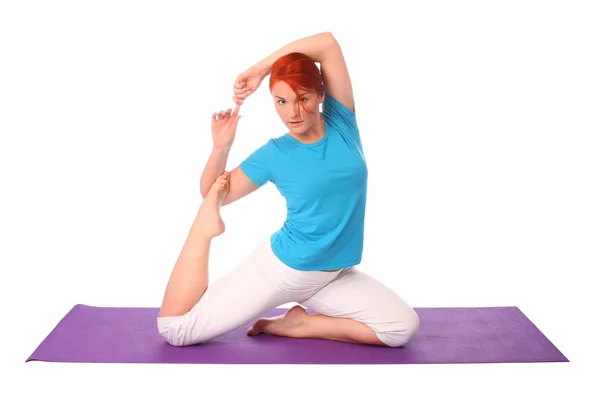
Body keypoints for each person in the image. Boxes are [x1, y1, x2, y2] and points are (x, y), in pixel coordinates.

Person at [157, 32, 420, 348]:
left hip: (333, 275)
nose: (293, 113)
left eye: (303, 99)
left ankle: (301, 324)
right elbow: (213, 195)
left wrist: (261, 68)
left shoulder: (342, 122)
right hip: (282, 270)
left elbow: (327, 44)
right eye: (281, 102)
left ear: (321, 95)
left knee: (401, 328)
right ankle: (201, 234)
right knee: (177, 331)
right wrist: (221, 147)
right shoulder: (274, 154)